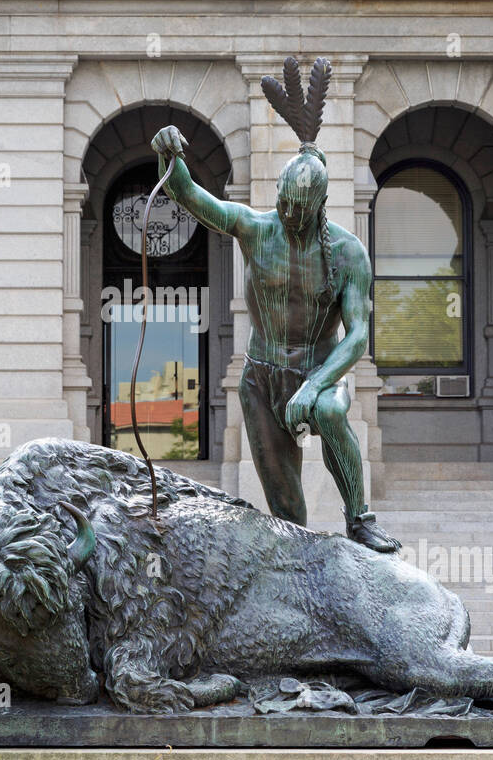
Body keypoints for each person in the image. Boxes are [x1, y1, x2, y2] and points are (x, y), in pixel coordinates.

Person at [151, 55, 400, 553]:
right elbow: (192, 197)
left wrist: (316, 383)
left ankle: (360, 518)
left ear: (318, 208)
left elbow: (356, 337)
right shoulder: (256, 228)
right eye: (283, 201)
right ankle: (303, 565)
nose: (287, 213)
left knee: (329, 412)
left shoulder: (347, 252)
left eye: (297, 208)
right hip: (262, 376)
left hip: (319, 369)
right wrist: (168, 152)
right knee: (285, 505)